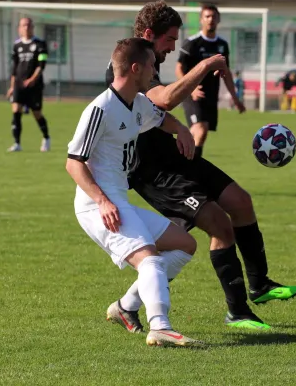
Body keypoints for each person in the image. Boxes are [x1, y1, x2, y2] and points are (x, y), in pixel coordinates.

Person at [105, 1, 296, 333]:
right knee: (218, 226)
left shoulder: (149, 63)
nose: (172, 47)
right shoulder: (128, 67)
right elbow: (163, 98)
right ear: (150, 35)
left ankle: (259, 285)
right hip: (154, 172)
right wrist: (206, 64)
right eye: (169, 40)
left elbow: (152, 110)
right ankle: (236, 311)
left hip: (175, 155)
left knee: (240, 201)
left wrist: (179, 128)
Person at [67, 37, 202, 347]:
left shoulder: (138, 102)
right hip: (96, 205)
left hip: (118, 200)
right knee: (150, 260)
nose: (155, 72)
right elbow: (74, 164)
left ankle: (126, 307)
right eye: (152, 66)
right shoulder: (100, 109)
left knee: (184, 244)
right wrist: (102, 201)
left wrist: (181, 129)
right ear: (135, 68)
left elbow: (160, 117)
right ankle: (160, 326)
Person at [175, 4, 246, 159]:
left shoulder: (222, 45)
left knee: (199, 132)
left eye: (214, 16)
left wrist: (236, 99)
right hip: (193, 94)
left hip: (211, 96)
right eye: (207, 16)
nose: (211, 20)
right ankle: (193, 168)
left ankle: (181, 160)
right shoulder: (192, 43)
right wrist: (191, 89)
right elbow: (179, 69)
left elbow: (226, 73)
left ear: (218, 19)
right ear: (201, 20)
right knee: (201, 130)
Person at [6, 17, 51, 153]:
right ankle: (17, 143)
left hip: (34, 86)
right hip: (19, 85)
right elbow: (14, 67)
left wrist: (32, 79)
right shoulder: (17, 45)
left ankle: (46, 137)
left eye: (28, 25)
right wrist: (12, 86)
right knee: (16, 112)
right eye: (23, 25)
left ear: (32, 27)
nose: (26, 27)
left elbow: (41, 65)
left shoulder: (40, 44)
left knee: (36, 113)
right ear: (19, 28)